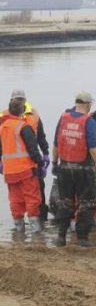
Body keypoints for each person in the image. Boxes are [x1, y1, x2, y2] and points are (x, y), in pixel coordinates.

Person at [51, 91, 96, 247]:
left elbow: (56, 144)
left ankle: (61, 237)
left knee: (65, 202)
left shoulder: (63, 118)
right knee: (87, 203)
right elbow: (93, 148)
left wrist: (55, 163)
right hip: (83, 169)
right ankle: (82, 238)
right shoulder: (88, 121)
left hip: (65, 167)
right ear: (88, 104)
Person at [1, 89, 51, 221]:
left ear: (25, 100)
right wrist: (41, 163)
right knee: (30, 198)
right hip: (27, 166)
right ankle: (35, 231)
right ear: (11, 100)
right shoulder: (4, 117)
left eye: (20, 98)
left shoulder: (33, 114)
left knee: (30, 196)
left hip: (22, 166)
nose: (18, 101)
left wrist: (45, 153)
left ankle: (35, 226)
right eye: (16, 99)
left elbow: (40, 136)